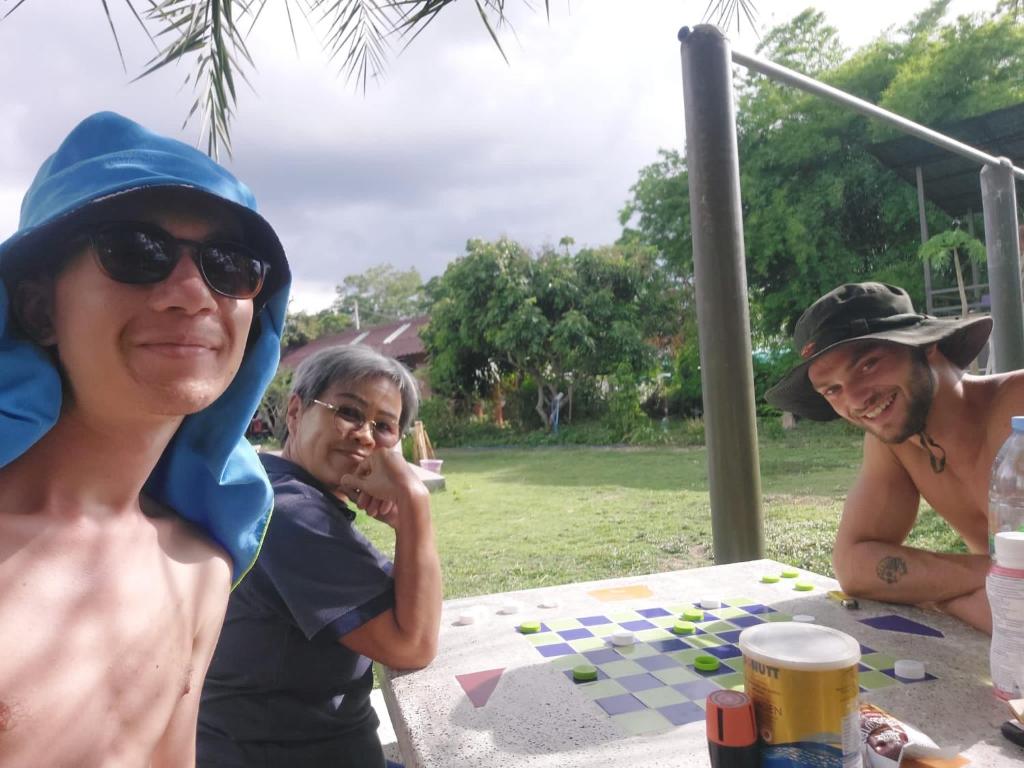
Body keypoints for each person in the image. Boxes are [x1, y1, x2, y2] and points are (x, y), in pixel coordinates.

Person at [0, 112, 290, 765]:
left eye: (230, 265)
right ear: (40, 309)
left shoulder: (199, 567)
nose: (193, 294)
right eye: (136, 251)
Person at [198, 345, 442, 767]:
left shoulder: (276, 486)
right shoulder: (293, 514)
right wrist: (414, 502)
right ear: (295, 412)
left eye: (384, 426)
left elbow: (403, 604)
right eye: (348, 412)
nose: (365, 435)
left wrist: (404, 525)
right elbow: (413, 644)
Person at [765, 281, 1018, 633]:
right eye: (833, 390)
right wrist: (992, 577)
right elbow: (854, 566)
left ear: (926, 344)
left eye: (868, 365)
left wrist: (931, 592)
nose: (856, 401)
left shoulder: (1017, 411)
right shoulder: (895, 445)